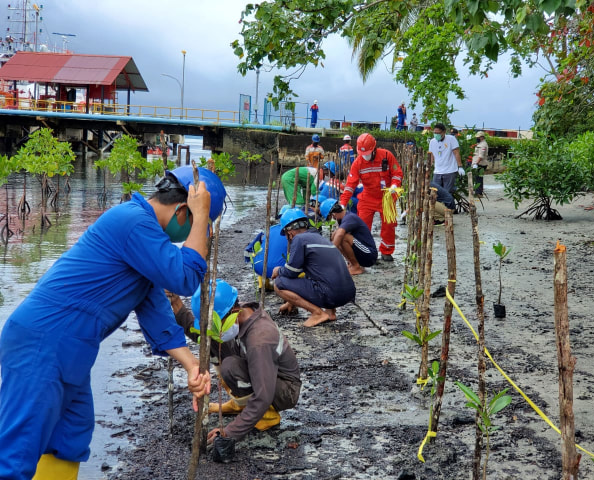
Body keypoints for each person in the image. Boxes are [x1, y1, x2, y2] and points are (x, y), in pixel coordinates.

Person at [0, 166, 225, 479]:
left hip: (67, 351)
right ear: (183, 211)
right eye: (198, 226)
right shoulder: (133, 222)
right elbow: (185, 277)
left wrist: (192, 368)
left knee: (69, 437)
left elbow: (157, 316)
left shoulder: (146, 240)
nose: (197, 235)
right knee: (16, 454)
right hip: (43, 343)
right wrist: (202, 217)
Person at [169, 280, 301, 449]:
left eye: (218, 325)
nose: (216, 330)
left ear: (234, 312)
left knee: (230, 367)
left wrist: (229, 433)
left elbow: (263, 395)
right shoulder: (241, 314)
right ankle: (243, 405)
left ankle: (267, 416)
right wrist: (177, 304)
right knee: (216, 346)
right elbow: (206, 335)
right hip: (261, 369)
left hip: (284, 389)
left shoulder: (259, 340)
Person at [271, 208, 356, 327]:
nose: (287, 238)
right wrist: (291, 302)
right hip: (348, 293)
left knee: (279, 283)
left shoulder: (299, 239)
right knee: (321, 274)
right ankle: (331, 312)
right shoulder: (320, 238)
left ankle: (317, 313)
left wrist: (278, 270)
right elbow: (313, 271)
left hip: (332, 294)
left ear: (289, 232)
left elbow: (292, 272)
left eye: (286, 235)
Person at [339, 133, 404, 262]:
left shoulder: (386, 155)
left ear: (374, 148)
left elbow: (397, 173)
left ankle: (386, 251)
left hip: (387, 197)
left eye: (368, 153)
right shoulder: (358, 163)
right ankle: (364, 251)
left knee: (389, 225)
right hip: (368, 197)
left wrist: (394, 185)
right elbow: (350, 185)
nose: (365, 157)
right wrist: (342, 203)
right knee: (362, 225)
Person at [320, 199, 377, 275]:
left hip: (369, 255)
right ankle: (352, 264)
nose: (333, 219)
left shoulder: (350, 218)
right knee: (335, 234)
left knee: (342, 237)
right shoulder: (343, 219)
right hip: (362, 253)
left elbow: (340, 235)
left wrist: (329, 254)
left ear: (333, 214)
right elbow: (336, 235)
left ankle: (356, 267)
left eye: (331, 217)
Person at [428, 122, 464, 194]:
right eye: (435, 133)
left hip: (450, 171)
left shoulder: (451, 139)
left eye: (438, 133)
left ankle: (447, 205)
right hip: (437, 171)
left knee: (447, 193)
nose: (436, 135)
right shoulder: (432, 142)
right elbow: (431, 155)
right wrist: (428, 166)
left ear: (444, 132)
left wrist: (460, 166)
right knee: (435, 192)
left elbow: (456, 153)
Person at [471, 131, 489, 195]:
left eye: (478, 137)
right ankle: (478, 191)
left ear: (482, 137)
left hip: (480, 164)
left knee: (479, 178)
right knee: (477, 178)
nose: (477, 138)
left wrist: (476, 164)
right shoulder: (480, 144)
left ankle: (479, 192)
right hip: (478, 163)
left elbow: (481, 156)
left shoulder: (483, 145)